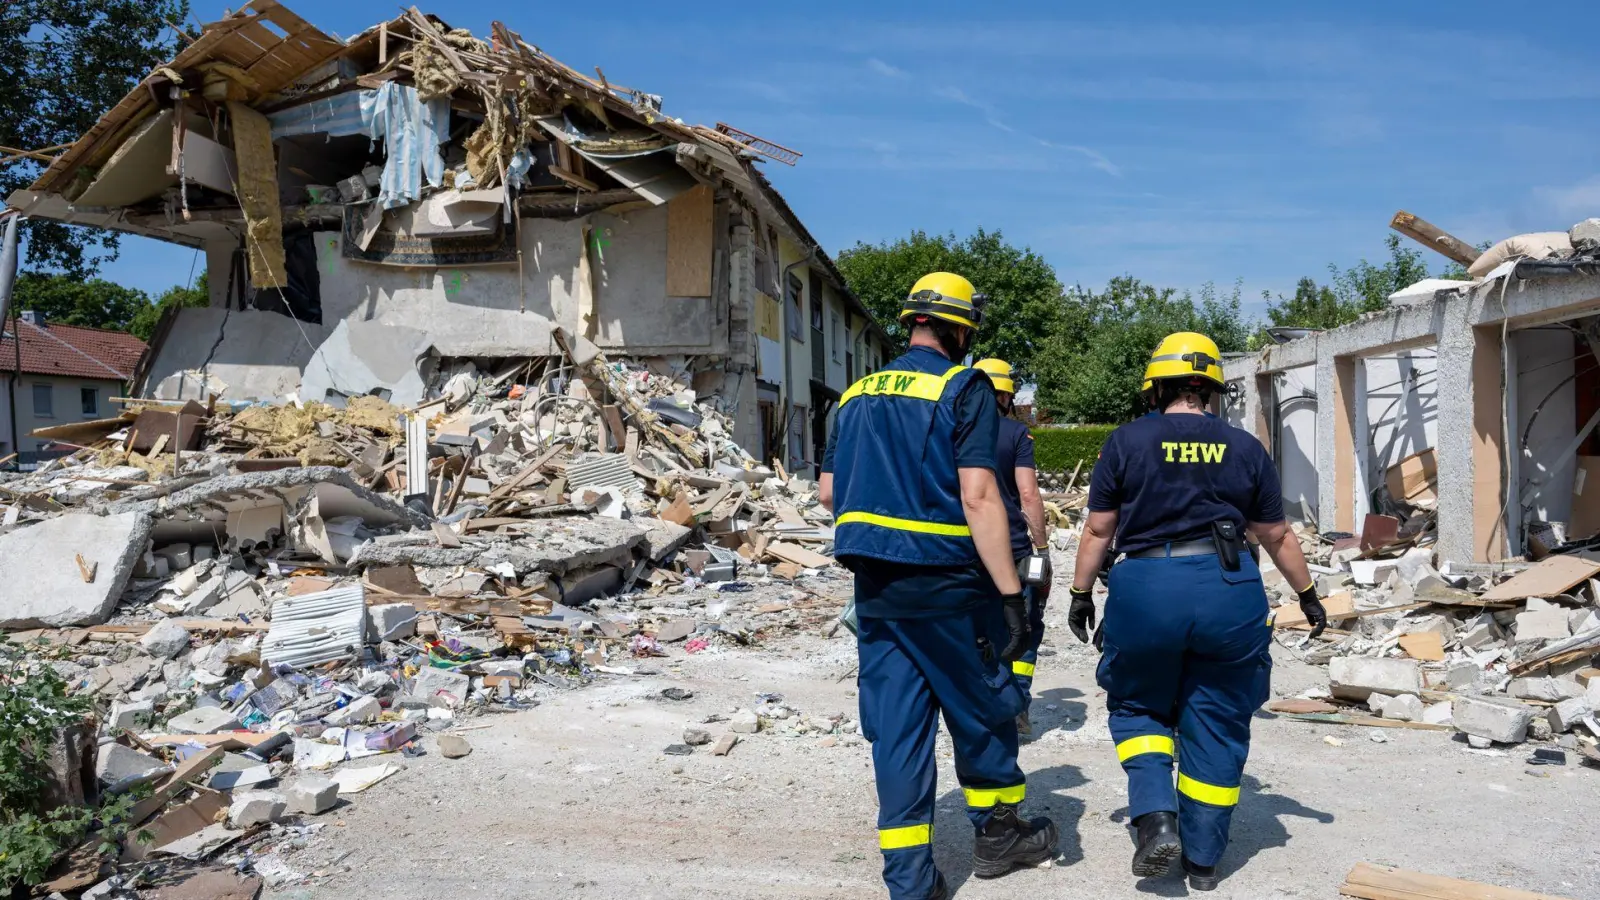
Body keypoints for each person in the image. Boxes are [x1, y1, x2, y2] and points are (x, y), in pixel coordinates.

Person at [819, 273, 1057, 900]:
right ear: (960, 328)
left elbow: (828, 493)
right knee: (984, 707)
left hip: (876, 589)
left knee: (896, 730)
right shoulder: (963, 387)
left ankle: (910, 881)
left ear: (910, 320)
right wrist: (1010, 595)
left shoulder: (855, 393)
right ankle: (999, 834)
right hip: (949, 587)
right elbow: (978, 495)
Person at [1064, 332, 1325, 892]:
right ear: (1210, 389)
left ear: (1156, 388)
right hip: (1227, 588)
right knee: (1220, 713)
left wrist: (1081, 592)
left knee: (1137, 705)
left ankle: (1156, 817)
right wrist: (1307, 594)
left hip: (1145, 586)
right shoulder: (1246, 448)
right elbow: (1275, 534)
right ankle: (1204, 861)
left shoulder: (1126, 441)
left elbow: (1098, 529)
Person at [972, 357, 1052, 734]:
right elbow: (1028, 494)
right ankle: (1017, 706)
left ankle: (978, 705)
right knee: (1023, 627)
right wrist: (1043, 549)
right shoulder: (1015, 435)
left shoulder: (954, 428)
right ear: (1005, 396)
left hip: (966, 549)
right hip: (1014, 550)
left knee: (973, 628)